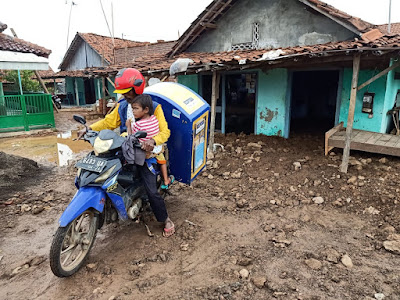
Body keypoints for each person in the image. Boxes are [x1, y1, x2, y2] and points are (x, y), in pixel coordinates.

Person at [77, 68, 174, 237]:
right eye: (121, 92)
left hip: (146, 153)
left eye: (126, 92)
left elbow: (165, 132)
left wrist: (153, 140)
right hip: (126, 149)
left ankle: (165, 218)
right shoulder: (122, 106)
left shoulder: (153, 107)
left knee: (151, 190)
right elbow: (108, 122)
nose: (124, 96)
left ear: (136, 89)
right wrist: (89, 129)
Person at [126, 94, 174, 189]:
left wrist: (128, 126)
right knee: (162, 161)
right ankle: (166, 179)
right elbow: (162, 131)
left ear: (146, 109)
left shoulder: (137, 125)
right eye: (133, 109)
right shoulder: (154, 119)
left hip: (144, 152)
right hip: (157, 149)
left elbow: (131, 137)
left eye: (136, 108)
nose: (133, 111)